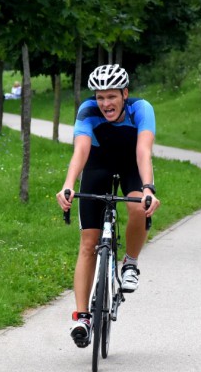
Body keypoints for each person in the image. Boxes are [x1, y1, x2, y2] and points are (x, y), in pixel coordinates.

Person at [56, 64, 161, 348]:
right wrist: (68, 184)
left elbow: (143, 151)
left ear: (125, 94)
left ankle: (131, 263)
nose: (105, 104)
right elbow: (81, 150)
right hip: (98, 164)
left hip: (131, 164)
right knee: (89, 243)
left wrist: (148, 188)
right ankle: (83, 318)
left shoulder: (142, 109)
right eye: (100, 97)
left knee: (138, 206)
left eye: (112, 96)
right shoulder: (87, 111)